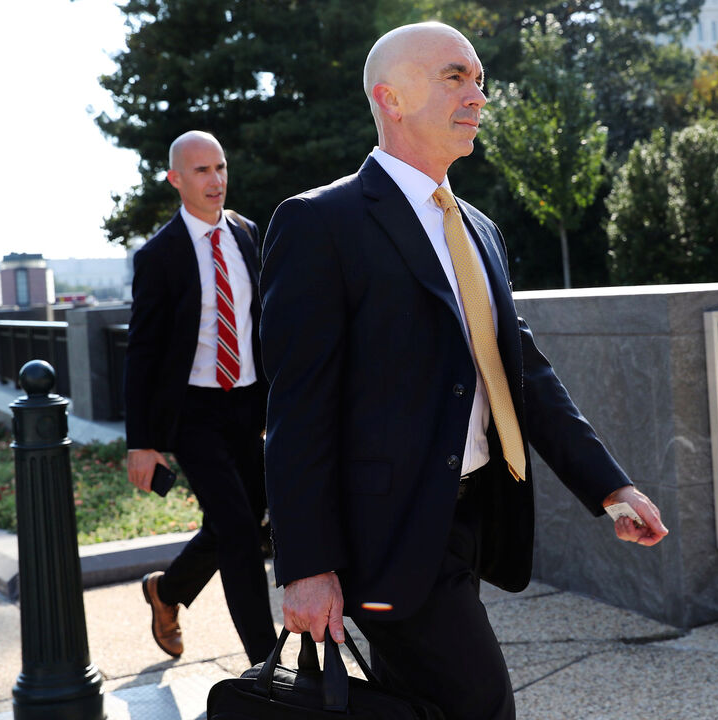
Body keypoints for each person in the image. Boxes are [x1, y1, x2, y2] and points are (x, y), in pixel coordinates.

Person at [258, 21, 669, 720]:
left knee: (426, 706)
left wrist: (610, 485)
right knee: (482, 705)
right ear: (390, 97)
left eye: (480, 79)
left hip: (472, 519)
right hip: (382, 534)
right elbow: (296, 410)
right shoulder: (319, 223)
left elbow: (524, 374)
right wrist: (304, 566)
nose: (478, 94)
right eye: (456, 77)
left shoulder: (479, 228)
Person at [123, 131, 276, 666]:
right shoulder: (159, 256)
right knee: (237, 530)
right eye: (202, 171)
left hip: (249, 404)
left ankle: (167, 592)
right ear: (176, 179)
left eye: (220, 167)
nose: (216, 181)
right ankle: (265, 664)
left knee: (243, 518)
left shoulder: (247, 233)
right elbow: (141, 351)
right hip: (194, 412)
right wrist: (142, 443)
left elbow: (263, 322)